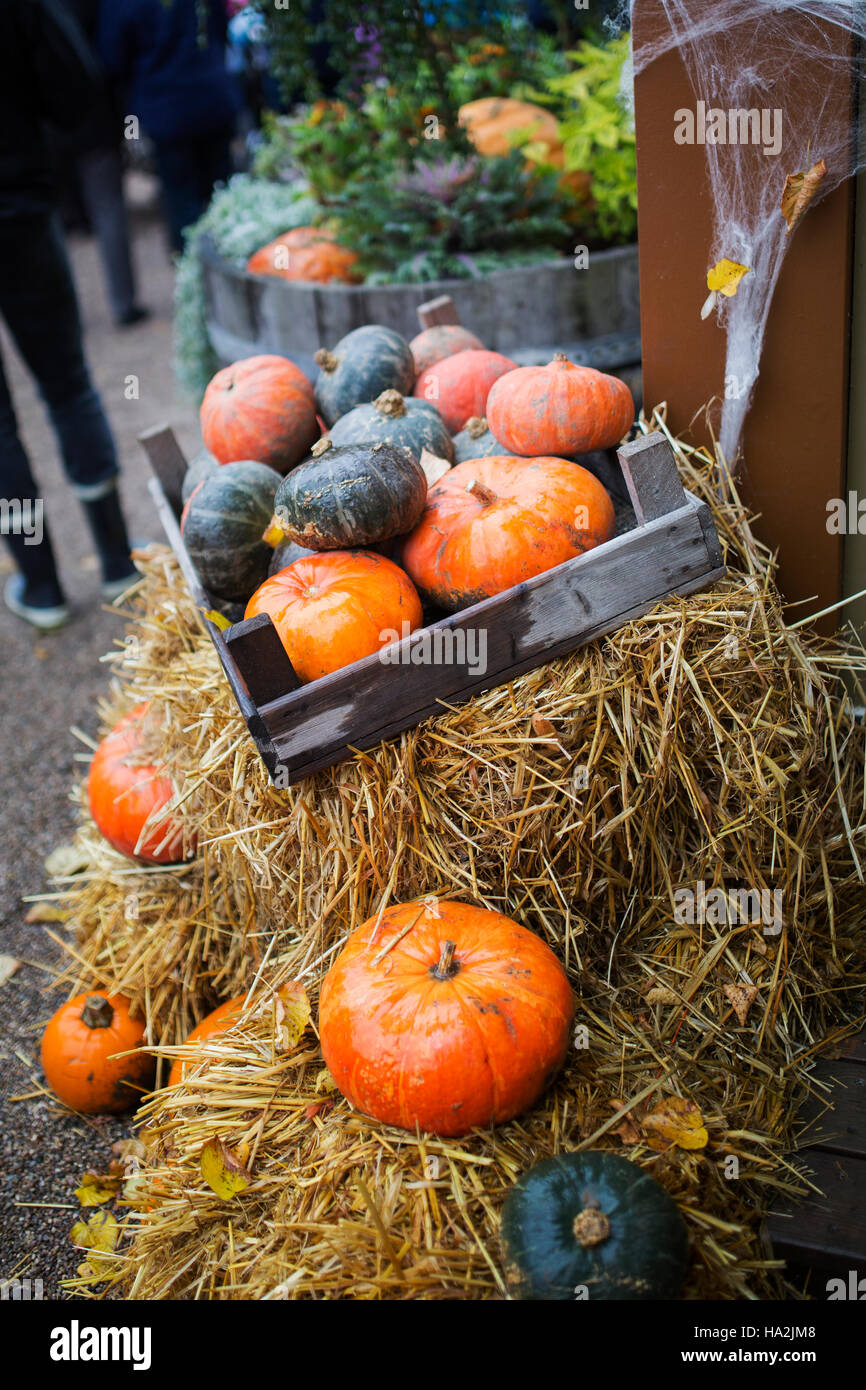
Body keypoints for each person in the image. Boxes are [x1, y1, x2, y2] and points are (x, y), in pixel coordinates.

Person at [0, 0, 138, 631]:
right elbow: (76, 94)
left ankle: (42, 581)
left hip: (23, 206)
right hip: (20, 210)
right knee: (68, 388)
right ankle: (115, 562)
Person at [98, 0, 242, 254]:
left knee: (185, 203)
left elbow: (113, 57)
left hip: (168, 108)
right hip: (211, 97)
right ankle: (227, 262)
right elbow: (221, 26)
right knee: (222, 196)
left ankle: (197, 274)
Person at [70, 0, 149, 328]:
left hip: (47, 133)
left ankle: (62, 322)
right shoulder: (92, 10)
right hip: (92, 122)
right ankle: (122, 302)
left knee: (48, 223)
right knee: (108, 210)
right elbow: (113, 60)